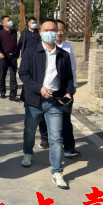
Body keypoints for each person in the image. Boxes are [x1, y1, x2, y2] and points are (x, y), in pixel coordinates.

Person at [19, 19, 74, 190]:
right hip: (34, 101)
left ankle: (57, 171)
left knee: (55, 137)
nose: (50, 33)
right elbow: (23, 74)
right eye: (46, 30)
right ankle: (28, 153)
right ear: (40, 33)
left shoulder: (63, 54)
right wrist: (39, 89)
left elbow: (69, 78)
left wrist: (68, 92)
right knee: (29, 131)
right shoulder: (31, 51)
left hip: (54, 102)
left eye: (53, 30)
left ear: (58, 32)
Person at [37, 20, 80, 157]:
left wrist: (73, 85)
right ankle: (45, 138)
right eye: (57, 29)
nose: (59, 33)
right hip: (44, 90)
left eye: (61, 30)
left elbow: (72, 68)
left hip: (63, 90)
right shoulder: (40, 48)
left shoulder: (67, 48)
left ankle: (69, 147)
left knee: (65, 117)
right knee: (43, 117)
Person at [0, 15, 19, 100]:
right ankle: (2, 91)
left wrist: (17, 53)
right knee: (2, 75)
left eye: (10, 20)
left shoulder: (14, 32)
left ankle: (13, 94)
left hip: (13, 56)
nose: (10, 22)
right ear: (3, 23)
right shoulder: (0, 33)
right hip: (4, 56)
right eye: (8, 21)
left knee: (13, 76)